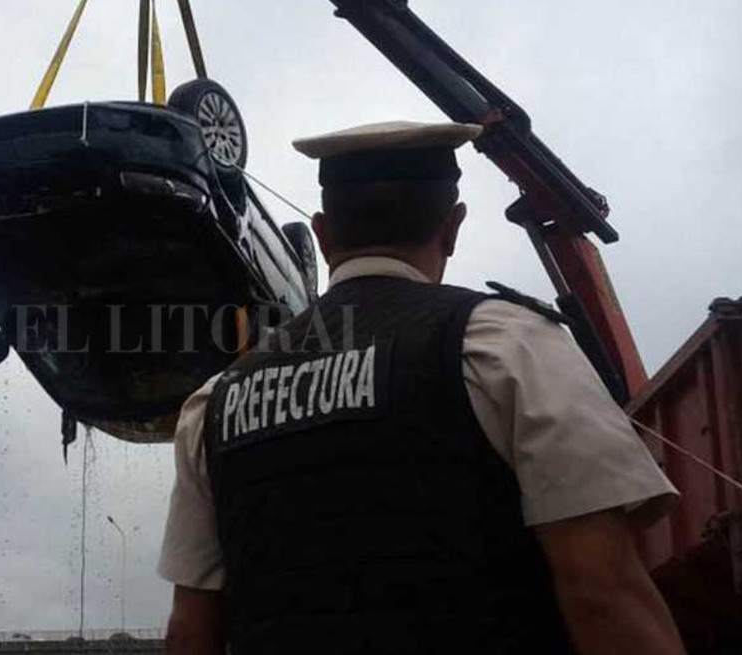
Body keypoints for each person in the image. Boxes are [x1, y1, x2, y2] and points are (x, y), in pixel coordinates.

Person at [158, 121, 687, 654]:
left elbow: (189, 633)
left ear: (320, 234)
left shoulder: (215, 403)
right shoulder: (507, 347)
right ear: (453, 227)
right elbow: (602, 592)